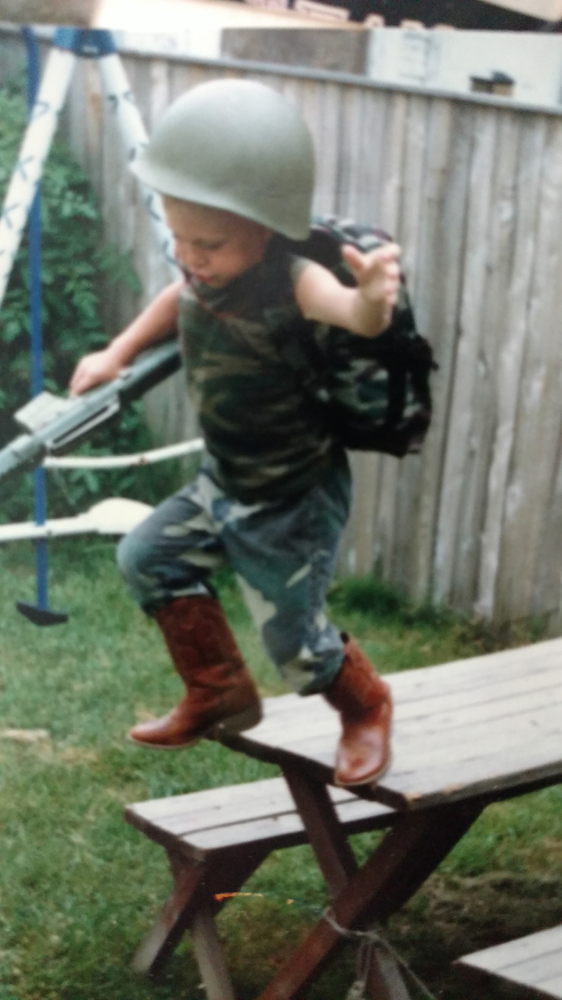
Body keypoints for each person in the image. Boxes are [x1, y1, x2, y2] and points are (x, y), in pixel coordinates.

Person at [70, 78, 401, 788]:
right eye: (180, 238)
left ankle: (366, 705)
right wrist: (118, 351)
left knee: (295, 646)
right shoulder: (205, 272)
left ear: (266, 227)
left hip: (292, 499)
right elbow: (178, 296)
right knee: (147, 557)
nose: (191, 256)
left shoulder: (294, 281)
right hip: (223, 480)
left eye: (210, 244)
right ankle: (218, 690)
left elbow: (352, 313)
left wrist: (373, 299)